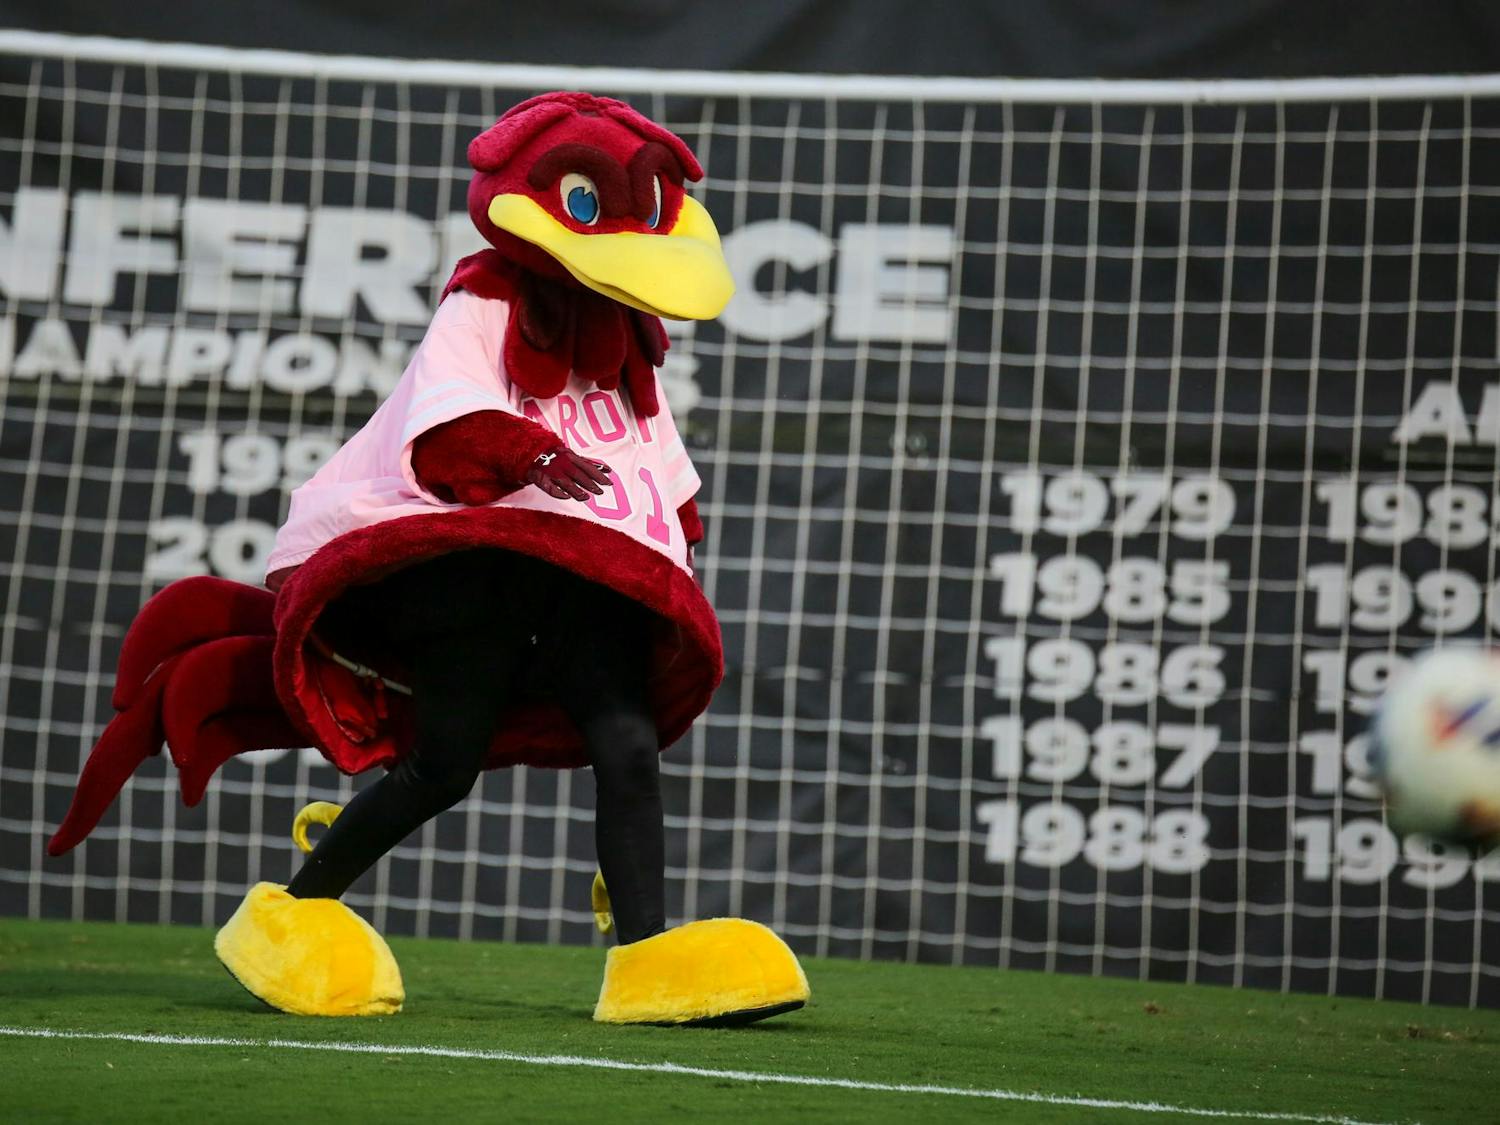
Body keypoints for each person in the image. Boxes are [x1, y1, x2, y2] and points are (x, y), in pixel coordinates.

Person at [49, 91, 808, 1027]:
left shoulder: (626, 350)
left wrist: (682, 535)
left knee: (629, 745)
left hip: (582, 585)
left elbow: (659, 465)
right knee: (441, 766)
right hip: (474, 580)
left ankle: (646, 957)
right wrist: (528, 452)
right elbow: (443, 429)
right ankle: (293, 912)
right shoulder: (484, 301)